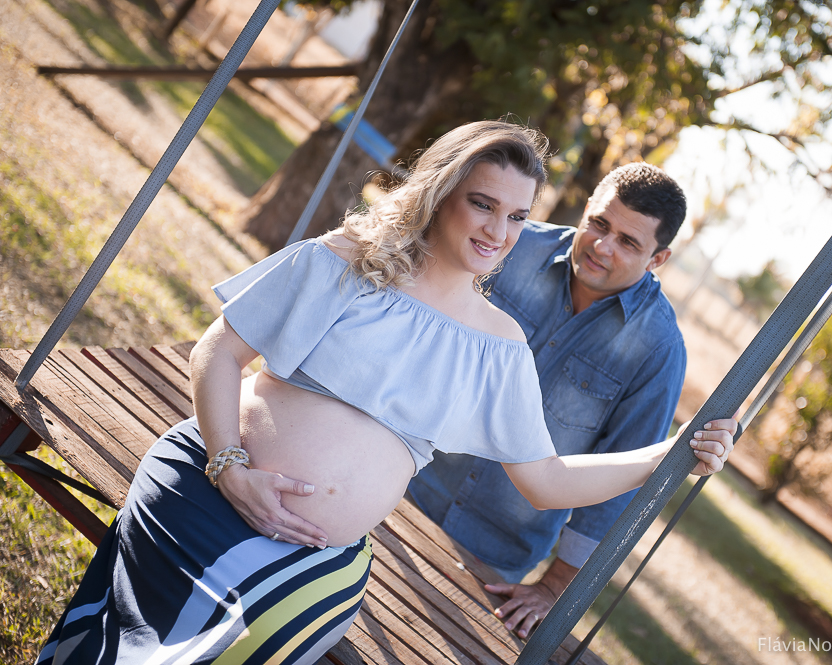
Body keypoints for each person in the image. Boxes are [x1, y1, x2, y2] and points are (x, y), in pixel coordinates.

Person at [38, 121, 734, 665]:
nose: (499, 231)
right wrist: (231, 468)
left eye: (517, 216)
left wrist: (668, 455)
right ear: (442, 193)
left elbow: (548, 481)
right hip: (208, 486)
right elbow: (216, 352)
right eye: (482, 203)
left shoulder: (499, 345)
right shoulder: (349, 260)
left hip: (313, 555)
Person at [409, 162, 694, 639]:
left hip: (494, 557)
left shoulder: (659, 351)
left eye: (628, 242)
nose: (603, 246)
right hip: (404, 483)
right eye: (600, 224)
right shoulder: (511, 249)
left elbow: (620, 478)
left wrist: (554, 587)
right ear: (587, 210)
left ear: (657, 258)